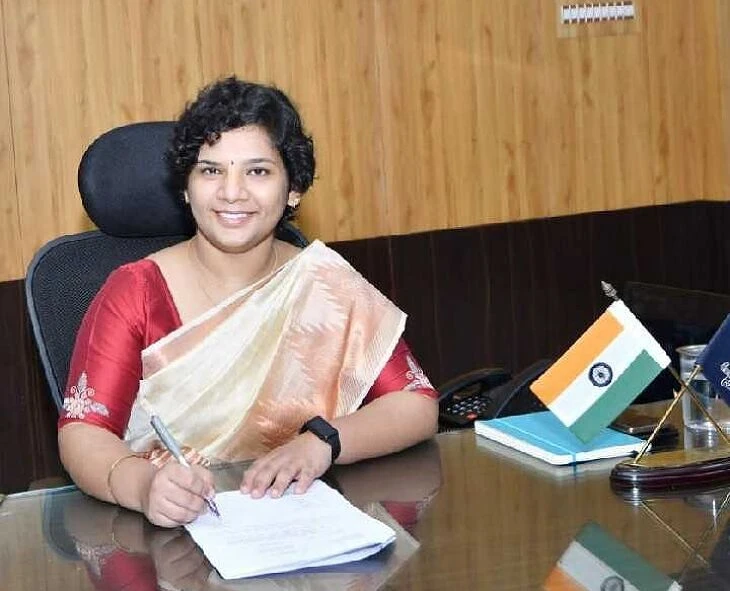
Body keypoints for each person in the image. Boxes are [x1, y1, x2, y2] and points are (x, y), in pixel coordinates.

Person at [58, 77, 439, 528]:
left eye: (257, 171)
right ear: (185, 187)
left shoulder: (326, 285)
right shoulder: (135, 292)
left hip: (300, 528)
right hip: (169, 534)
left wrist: (322, 442)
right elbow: (83, 433)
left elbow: (415, 404)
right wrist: (143, 487)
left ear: (294, 188)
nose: (232, 192)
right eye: (210, 171)